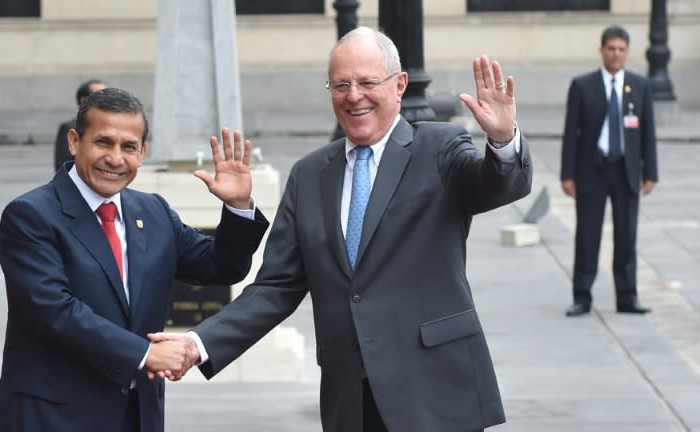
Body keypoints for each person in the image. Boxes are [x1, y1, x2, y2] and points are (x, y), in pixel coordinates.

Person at [149, 26, 532, 431]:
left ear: (400, 85)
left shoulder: (439, 147)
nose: (354, 96)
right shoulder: (309, 175)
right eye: (341, 84)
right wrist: (197, 343)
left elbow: (496, 184)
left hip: (436, 393)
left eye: (368, 82)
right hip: (351, 400)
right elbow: (275, 287)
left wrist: (503, 140)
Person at [0, 87, 269, 432]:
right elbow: (54, 311)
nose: (116, 158)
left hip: (137, 417)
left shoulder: (153, 211)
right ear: (75, 141)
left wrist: (238, 207)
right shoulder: (31, 215)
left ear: (143, 152)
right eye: (103, 143)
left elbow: (222, 266)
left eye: (129, 147)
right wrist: (144, 353)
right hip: (54, 417)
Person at [561, 25, 658, 317]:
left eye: (621, 49)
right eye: (611, 48)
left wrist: (650, 172)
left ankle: (627, 296)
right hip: (592, 170)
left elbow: (647, 134)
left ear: (627, 53)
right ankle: (582, 296)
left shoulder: (640, 87)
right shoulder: (582, 85)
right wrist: (567, 174)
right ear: (602, 50)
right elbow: (571, 134)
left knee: (627, 236)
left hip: (626, 170)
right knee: (587, 234)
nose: (616, 54)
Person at [53, 79, 106, 171]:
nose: (106, 98)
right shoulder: (69, 127)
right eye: (100, 94)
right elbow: (62, 165)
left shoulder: (111, 125)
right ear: (84, 99)